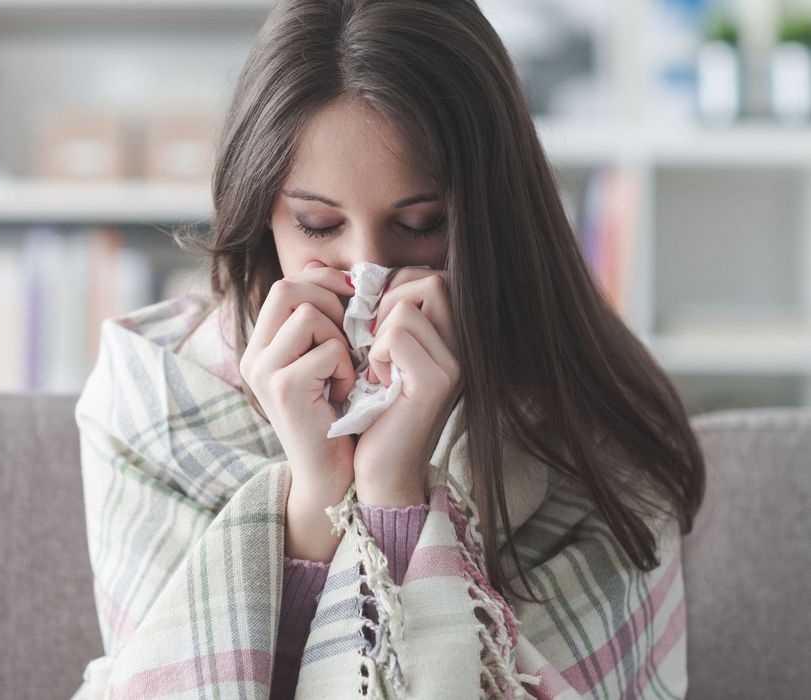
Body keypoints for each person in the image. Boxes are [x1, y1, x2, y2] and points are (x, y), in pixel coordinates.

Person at [71, 1, 705, 698]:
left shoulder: (591, 422)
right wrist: (314, 494)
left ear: (489, 214)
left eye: (419, 223)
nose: (366, 270)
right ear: (261, 213)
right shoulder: (153, 394)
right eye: (316, 224)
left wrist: (394, 492)